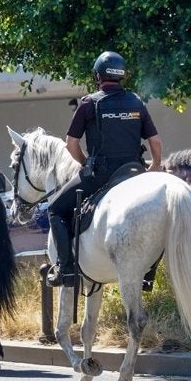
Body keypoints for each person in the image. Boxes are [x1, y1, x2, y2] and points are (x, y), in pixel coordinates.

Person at [45, 51, 162, 287]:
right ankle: (149, 273)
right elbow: (156, 142)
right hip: (135, 173)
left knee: (55, 209)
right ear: (122, 76)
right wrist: (155, 166)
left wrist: (84, 162)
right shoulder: (136, 102)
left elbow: (71, 143)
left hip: (102, 174)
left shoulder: (89, 103)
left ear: (98, 76)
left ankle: (65, 269)